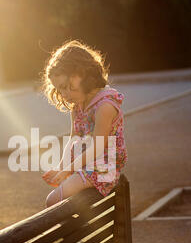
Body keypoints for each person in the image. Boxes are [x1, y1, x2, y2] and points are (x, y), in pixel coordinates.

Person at [40, 39, 128, 208]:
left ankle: (76, 233)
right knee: (60, 200)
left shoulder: (105, 106)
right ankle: (79, 232)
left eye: (67, 86)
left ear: (82, 73)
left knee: (52, 201)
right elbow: (73, 138)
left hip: (102, 169)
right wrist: (61, 167)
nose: (64, 94)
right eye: (60, 89)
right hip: (85, 165)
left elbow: (98, 147)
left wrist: (69, 169)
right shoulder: (78, 106)